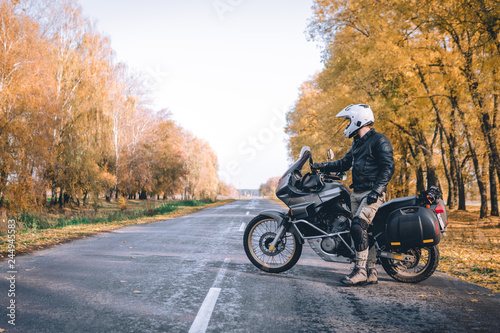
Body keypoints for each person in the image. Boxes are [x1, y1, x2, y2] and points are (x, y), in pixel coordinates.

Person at [312, 104, 395, 286]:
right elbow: (345, 163)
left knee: (358, 227)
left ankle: (360, 271)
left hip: (371, 193)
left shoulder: (379, 140)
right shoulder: (357, 142)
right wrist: (323, 166)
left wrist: (377, 190)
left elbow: (388, 167)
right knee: (366, 232)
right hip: (357, 192)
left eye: (349, 120)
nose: (347, 124)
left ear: (359, 119)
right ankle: (372, 270)